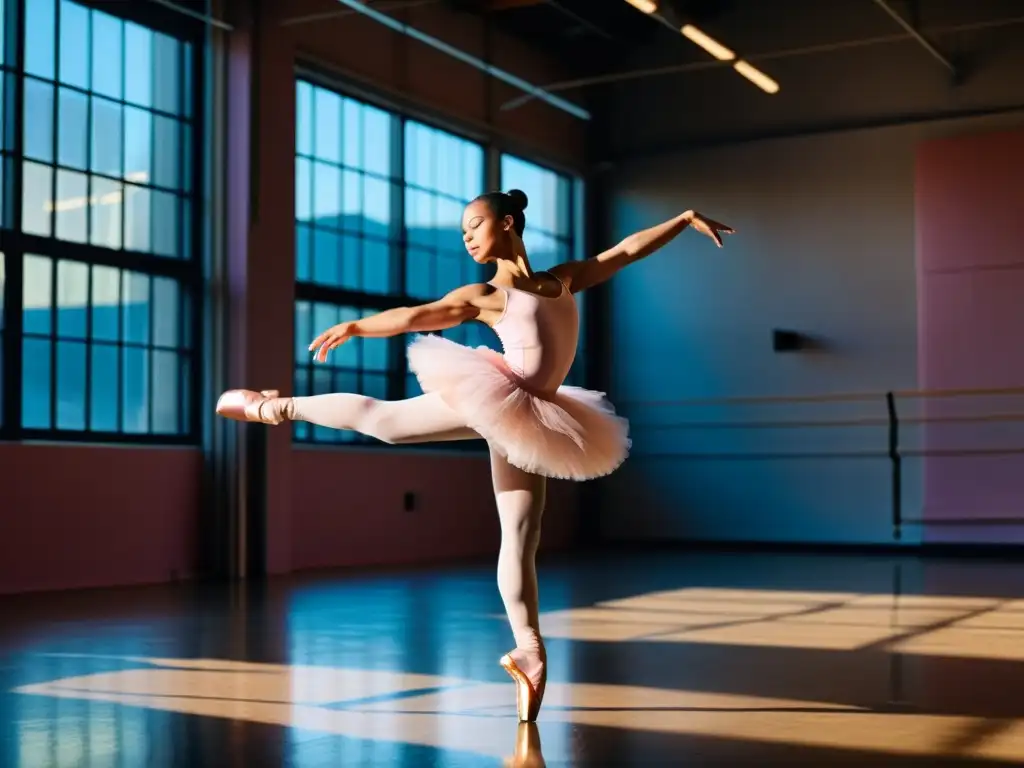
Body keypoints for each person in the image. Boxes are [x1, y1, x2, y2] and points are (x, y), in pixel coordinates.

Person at [215, 189, 733, 722]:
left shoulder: (561, 281)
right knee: (386, 422)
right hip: (499, 393)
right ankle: (270, 408)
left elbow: (621, 253)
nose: (466, 237)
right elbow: (420, 315)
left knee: (521, 538)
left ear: (507, 223)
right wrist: (356, 325)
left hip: (537, 416)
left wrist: (684, 217)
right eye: (463, 231)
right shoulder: (489, 294)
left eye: (474, 225)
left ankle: (529, 653)